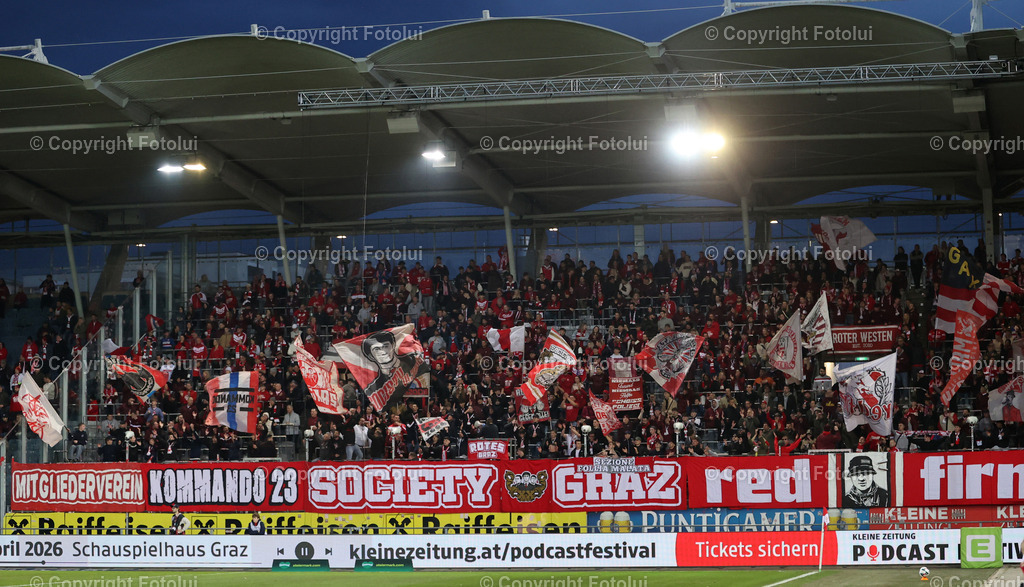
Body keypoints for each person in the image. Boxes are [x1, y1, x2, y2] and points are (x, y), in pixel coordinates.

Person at [361, 330, 428, 408]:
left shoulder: (410, 361)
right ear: (370, 356)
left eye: (385, 346)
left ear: (393, 346)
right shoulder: (374, 385)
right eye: (376, 349)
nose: (383, 352)